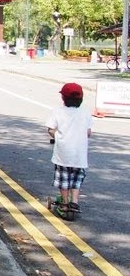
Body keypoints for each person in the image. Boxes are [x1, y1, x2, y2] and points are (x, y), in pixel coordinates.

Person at [46, 82, 93, 216]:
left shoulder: (58, 111)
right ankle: (75, 202)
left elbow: (50, 129)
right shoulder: (85, 112)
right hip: (79, 153)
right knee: (76, 178)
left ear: (63, 98)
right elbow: (88, 132)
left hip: (63, 152)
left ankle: (65, 204)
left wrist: (56, 135)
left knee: (64, 178)